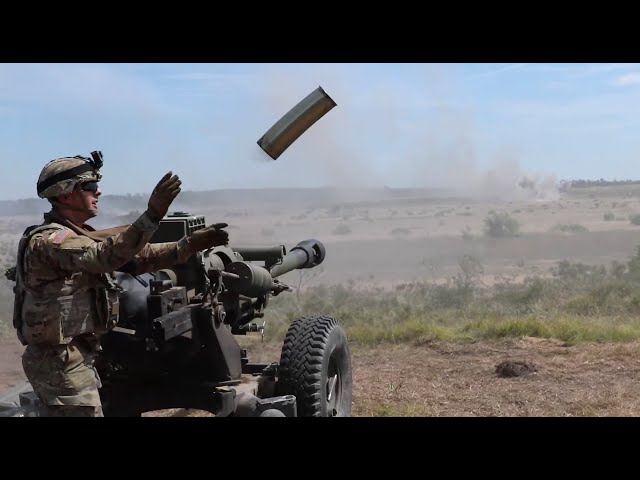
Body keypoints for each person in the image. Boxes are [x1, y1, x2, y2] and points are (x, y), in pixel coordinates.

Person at [9, 153, 229, 417]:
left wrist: (187, 246)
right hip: (59, 361)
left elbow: (137, 258)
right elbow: (105, 256)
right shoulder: (51, 242)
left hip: (78, 355)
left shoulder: (80, 236)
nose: (98, 191)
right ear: (65, 195)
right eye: (89, 186)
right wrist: (152, 215)